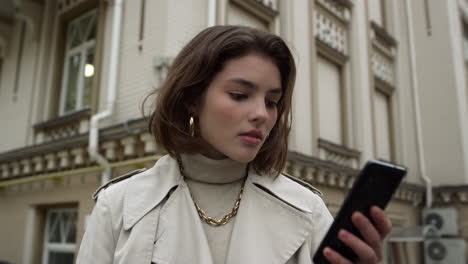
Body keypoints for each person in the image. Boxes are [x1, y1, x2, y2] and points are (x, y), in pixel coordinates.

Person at [76, 25, 392, 264]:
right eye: (240, 95)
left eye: (272, 101)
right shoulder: (118, 206)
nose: (261, 114)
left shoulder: (308, 211)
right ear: (192, 99)